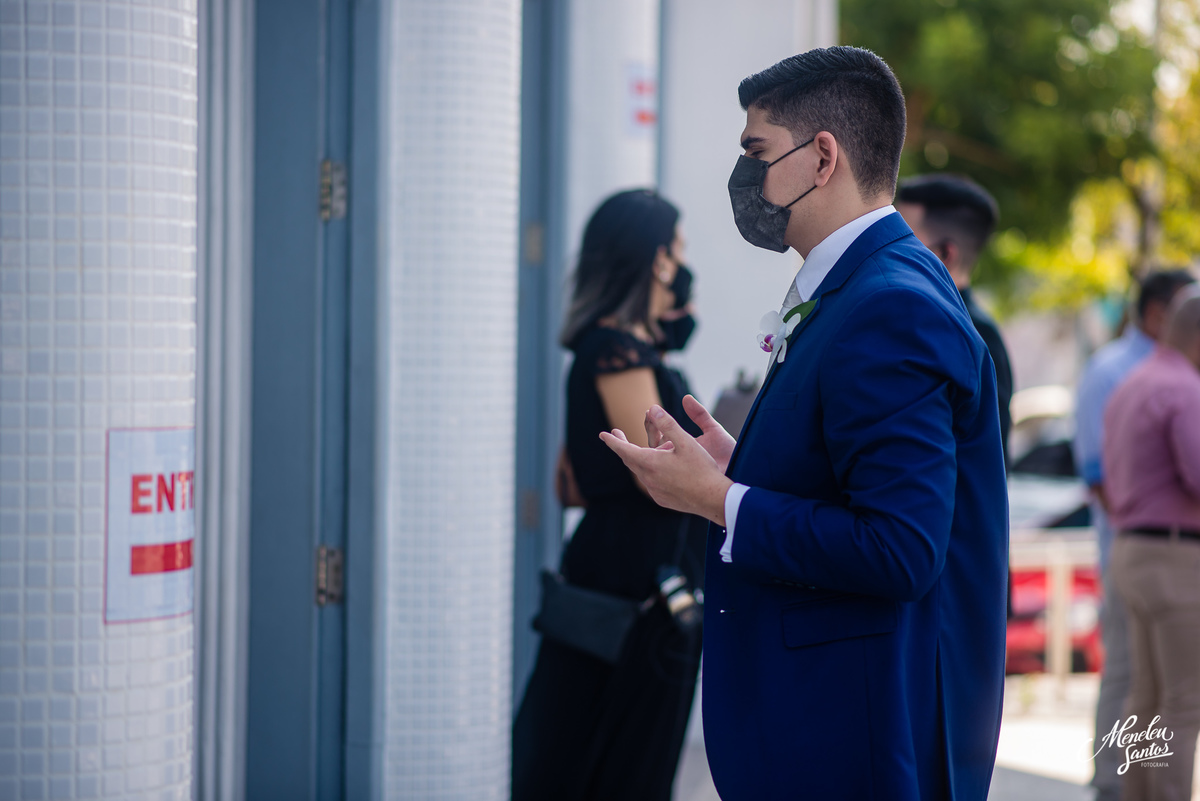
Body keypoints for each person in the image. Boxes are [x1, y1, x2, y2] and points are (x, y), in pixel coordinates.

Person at [602, 47, 1007, 800]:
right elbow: (842, 477)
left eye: (757, 152)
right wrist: (739, 468)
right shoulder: (868, 284)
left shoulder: (891, 304)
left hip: (853, 735)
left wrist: (718, 500)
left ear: (823, 157)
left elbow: (899, 548)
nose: (746, 179)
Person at [512, 189, 706, 801]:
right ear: (655, 258)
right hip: (633, 586)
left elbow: (570, 481)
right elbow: (658, 471)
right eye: (676, 247)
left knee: (586, 748)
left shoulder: (618, 347)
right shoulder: (616, 350)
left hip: (623, 572)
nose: (681, 263)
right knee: (609, 761)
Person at [1074, 269, 1195, 801]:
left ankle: (1130, 791)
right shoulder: (1180, 387)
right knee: (1181, 698)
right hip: (1168, 554)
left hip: (1131, 547)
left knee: (1143, 692)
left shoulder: (1133, 379)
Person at [897, 174, 1013, 465]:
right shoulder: (909, 316)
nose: (889, 250)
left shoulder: (976, 335)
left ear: (945, 253)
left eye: (903, 240)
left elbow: (985, 463)